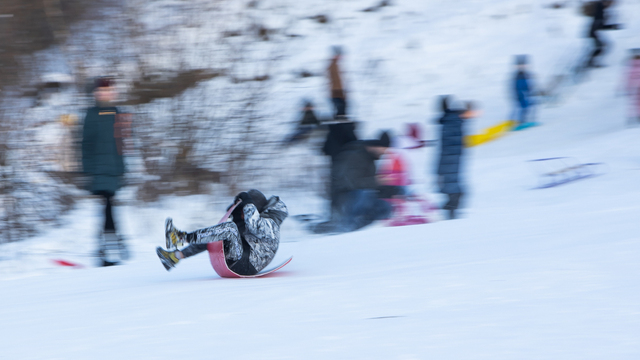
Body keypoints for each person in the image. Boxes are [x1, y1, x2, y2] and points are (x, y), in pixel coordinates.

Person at [156, 189, 288, 275]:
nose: (243, 215)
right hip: (241, 255)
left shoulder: (271, 225)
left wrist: (247, 202)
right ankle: (174, 257)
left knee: (229, 229)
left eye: (244, 212)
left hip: (248, 264)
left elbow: (255, 225)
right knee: (216, 234)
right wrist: (235, 210)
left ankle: (180, 238)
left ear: (255, 209)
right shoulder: (252, 221)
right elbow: (240, 227)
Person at [81, 77, 129, 266]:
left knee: (108, 209)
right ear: (96, 94)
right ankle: (111, 248)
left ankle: (106, 248)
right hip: (98, 171)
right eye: (101, 91)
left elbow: (121, 144)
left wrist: (122, 169)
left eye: (108, 91)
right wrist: (87, 172)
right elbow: (85, 145)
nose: (105, 95)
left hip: (113, 171)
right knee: (108, 207)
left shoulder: (117, 112)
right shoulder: (91, 114)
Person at [313, 131, 393, 233]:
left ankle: (364, 229)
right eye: (383, 150)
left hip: (360, 195)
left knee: (385, 207)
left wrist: (392, 189)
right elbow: (352, 183)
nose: (384, 153)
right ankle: (346, 228)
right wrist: (376, 181)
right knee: (365, 193)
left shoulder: (370, 158)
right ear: (376, 146)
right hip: (344, 197)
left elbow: (370, 184)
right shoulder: (354, 156)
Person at [436, 96, 477, 220]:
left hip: (450, 161)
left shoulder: (452, 120)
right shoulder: (454, 121)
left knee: (455, 192)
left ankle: (449, 215)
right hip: (450, 161)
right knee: (456, 192)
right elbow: (453, 140)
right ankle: (447, 216)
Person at [322, 115, 358, 218]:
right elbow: (356, 146)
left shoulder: (331, 132)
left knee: (335, 191)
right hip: (349, 167)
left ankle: (334, 215)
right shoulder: (351, 131)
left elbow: (325, 150)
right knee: (348, 190)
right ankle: (348, 215)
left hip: (335, 166)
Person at [585, 0, 620, 68]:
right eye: (609, 3)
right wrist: (612, 26)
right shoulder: (600, 11)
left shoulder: (601, 12)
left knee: (600, 47)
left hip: (593, 32)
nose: (610, 5)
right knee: (600, 47)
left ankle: (590, 62)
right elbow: (600, 25)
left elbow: (601, 25)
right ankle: (589, 62)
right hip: (593, 32)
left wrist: (613, 26)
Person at [512, 55, 537, 130]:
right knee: (523, 107)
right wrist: (517, 94)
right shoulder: (517, 75)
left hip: (525, 93)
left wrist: (530, 90)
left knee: (530, 105)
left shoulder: (526, 74)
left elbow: (528, 84)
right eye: (520, 65)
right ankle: (520, 121)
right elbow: (516, 86)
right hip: (520, 93)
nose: (521, 67)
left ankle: (526, 120)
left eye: (523, 65)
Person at [328, 46, 347, 117]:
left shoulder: (336, 64)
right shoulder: (333, 65)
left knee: (342, 106)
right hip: (336, 90)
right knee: (340, 106)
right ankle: (339, 118)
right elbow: (335, 79)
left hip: (339, 89)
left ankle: (341, 118)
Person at [624, 49, 640, 124]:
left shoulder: (632, 67)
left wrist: (628, 88)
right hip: (637, 87)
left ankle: (637, 115)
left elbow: (629, 78)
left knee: (636, 102)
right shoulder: (632, 67)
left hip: (636, 86)